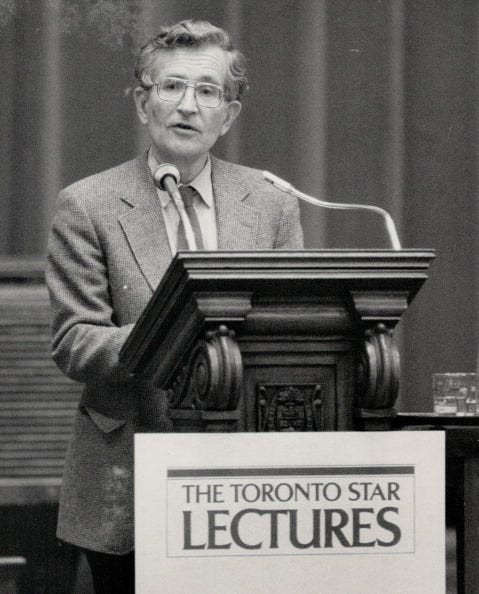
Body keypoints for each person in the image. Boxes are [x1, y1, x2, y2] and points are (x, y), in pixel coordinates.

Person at [46, 19, 303, 593]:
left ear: (228, 114)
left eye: (208, 91)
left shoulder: (271, 204)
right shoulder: (86, 205)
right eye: (171, 88)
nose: (188, 106)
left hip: (247, 482)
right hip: (129, 472)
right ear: (144, 103)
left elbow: (293, 330)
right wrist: (176, 331)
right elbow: (74, 342)